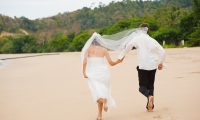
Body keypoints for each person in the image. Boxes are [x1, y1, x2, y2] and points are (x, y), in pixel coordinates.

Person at [118, 23, 166, 112]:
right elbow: (162, 52)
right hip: (153, 65)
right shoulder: (152, 40)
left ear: (140, 30)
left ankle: (149, 96)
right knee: (151, 86)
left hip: (143, 66)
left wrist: (121, 56)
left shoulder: (137, 38)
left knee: (142, 87)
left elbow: (128, 46)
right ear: (148, 30)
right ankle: (150, 107)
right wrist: (161, 63)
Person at [81, 34, 123, 120]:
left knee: (97, 93)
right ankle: (99, 116)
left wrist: (84, 72)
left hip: (92, 73)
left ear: (91, 41)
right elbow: (111, 63)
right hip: (104, 73)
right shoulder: (104, 50)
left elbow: (85, 60)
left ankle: (104, 101)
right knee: (102, 91)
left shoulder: (88, 49)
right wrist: (118, 62)